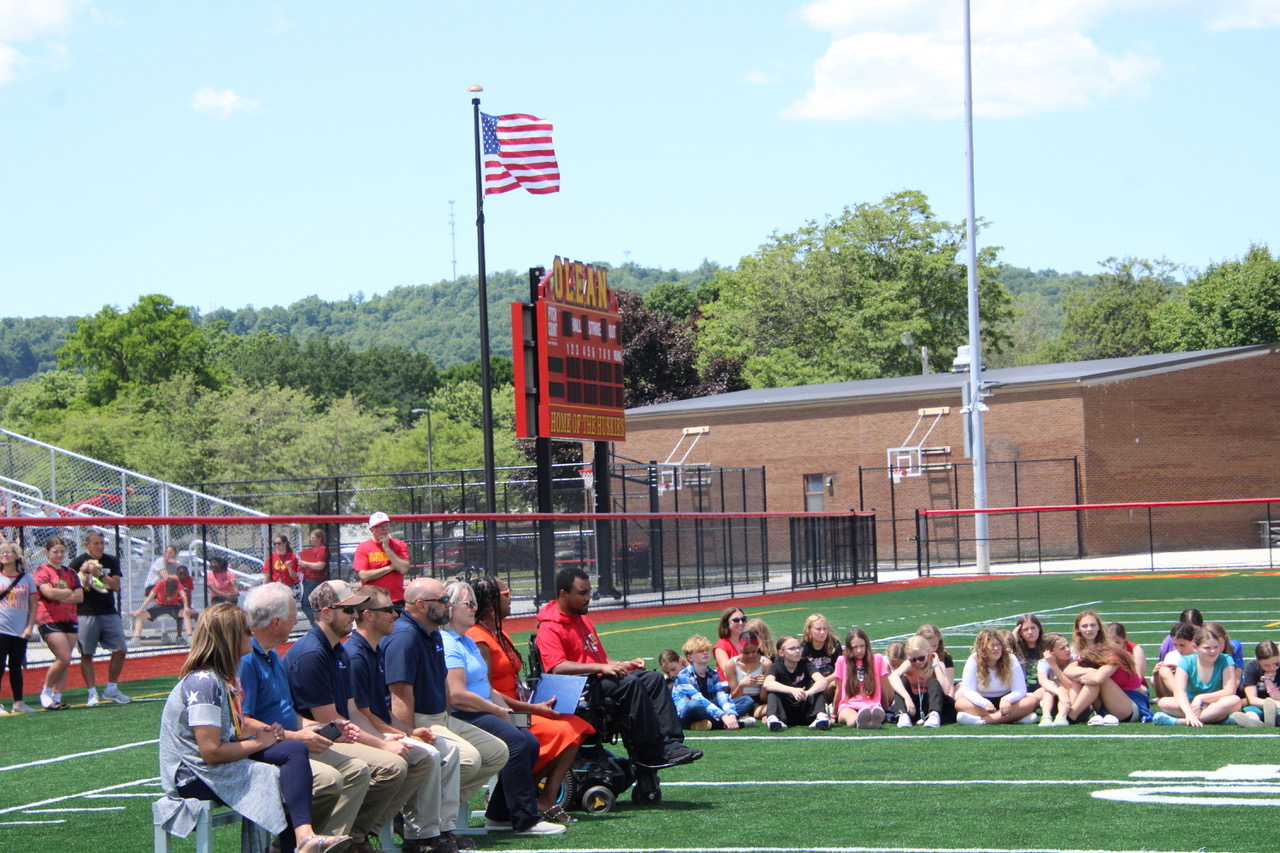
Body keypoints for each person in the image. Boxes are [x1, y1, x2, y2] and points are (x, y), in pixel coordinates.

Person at [156, 602, 351, 853]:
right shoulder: (204, 683)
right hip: (194, 775)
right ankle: (301, 841)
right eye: (247, 631)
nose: (252, 635)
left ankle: (304, 838)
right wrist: (260, 742)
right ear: (230, 638)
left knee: (293, 751)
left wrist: (264, 734)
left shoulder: (225, 677)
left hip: (216, 766)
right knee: (279, 776)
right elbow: (210, 752)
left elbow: (231, 734)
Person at [284, 579, 435, 853]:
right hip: (316, 740)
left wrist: (390, 736)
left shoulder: (337, 649)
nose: (354, 617)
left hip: (332, 735)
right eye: (347, 611)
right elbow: (332, 724)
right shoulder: (312, 654)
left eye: (354, 610)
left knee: (418, 757)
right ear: (326, 613)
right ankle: (343, 839)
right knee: (390, 765)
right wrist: (381, 742)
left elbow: (352, 711)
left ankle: (358, 835)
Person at [238, 583, 371, 847]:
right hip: (269, 750)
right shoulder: (247, 659)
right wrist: (298, 736)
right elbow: (243, 722)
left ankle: (324, 844)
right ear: (276, 623)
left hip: (288, 744)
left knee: (357, 770)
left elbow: (289, 712)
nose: (297, 621)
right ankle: (295, 844)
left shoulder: (271, 655)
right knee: (331, 780)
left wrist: (323, 727)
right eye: (292, 616)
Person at [384, 576, 509, 850]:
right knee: (465, 758)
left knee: (496, 752)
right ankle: (427, 830)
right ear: (419, 605)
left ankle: (428, 815)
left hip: (440, 717)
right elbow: (400, 694)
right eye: (442, 601)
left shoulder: (432, 633)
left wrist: (446, 717)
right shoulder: (405, 637)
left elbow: (443, 685)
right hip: (417, 720)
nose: (447, 606)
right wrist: (409, 736)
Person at [534, 567, 701, 769]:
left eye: (589, 592)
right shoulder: (549, 627)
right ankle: (650, 752)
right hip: (578, 689)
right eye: (582, 593)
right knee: (629, 684)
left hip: (596, 680)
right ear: (563, 594)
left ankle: (671, 744)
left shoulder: (583, 620)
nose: (588, 598)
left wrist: (624, 664)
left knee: (654, 679)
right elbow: (557, 667)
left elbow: (601, 659)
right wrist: (602, 667)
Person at [441, 580, 564, 837]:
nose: (475, 607)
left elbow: (489, 688)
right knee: (517, 743)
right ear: (450, 608)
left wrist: (509, 712)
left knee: (528, 741)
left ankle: (499, 814)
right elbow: (457, 695)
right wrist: (496, 711)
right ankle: (525, 820)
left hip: (481, 710)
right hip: (464, 714)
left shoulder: (467, 641)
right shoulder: (449, 643)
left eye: (474, 602)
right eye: (468, 603)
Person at [347, 585, 463, 853]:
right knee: (423, 757)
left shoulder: (373, 650)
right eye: (388, 610)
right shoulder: (356, 655)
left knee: (441, 752)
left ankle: (428, 832)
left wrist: (406, 732)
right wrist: (393, 738)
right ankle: (366, 834)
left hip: (375, 728)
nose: (395, 615)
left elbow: (380, 710)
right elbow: (360, 713)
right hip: (355, 735)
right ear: (368, 615)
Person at [468, 576, 592, 824]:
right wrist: (533, 707)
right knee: (560, 733)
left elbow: (512, 680)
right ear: (492, 602)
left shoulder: (499, 634)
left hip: (519, 706)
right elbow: (488, 690)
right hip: (499, 712)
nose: (511, 596)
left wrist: (534, 698)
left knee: (577, 726)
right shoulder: (478, 637)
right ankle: (515, 802)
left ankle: (543, 797)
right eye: (506, 593)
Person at [69, 530, 132, 706]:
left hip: (109, 611)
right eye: (96, 543)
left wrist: (100, 574)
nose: (100, 547)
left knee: (120, 650)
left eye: (102, 543)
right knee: (87, 653)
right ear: (87, 544)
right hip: (85, 612)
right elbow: (73, 587)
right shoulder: (77, 562)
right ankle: (91, 693)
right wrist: (84, 574)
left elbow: (116, 586)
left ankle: (111, 689)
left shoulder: (111, 561)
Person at [1154, 627, 1242, 726]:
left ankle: (1179, 721)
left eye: (1216, 647)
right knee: (1164, 702)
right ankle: (1219, 718)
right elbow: (1179, 691)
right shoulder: (1186, 661)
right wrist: (1189, 712)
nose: (1213, 651)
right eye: (1207, 648)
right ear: (1195, 647)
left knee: (1234, 700)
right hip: (1190, 703)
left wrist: (1200, 698)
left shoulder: (1226, 659)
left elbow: (1229, 691)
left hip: (1215, 703)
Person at [955, 629, 1038, 725]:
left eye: (998, 644)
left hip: (1008, 702)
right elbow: (969, 691)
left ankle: (982, 721)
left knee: (1032, 701)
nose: (996, 648)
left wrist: (1007, 699)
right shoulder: (974, 660)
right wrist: (984, 703)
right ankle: (1013, 717)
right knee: (960, 703)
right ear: (982, 648)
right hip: (983, 703)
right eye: (992, 645)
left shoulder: (1010, 658)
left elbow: (1020, 689)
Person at [35, 536, 81, 710]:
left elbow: (79, 597)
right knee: (64, 657)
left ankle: (57, 696)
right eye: (55, 551)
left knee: (65, 660)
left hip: (69, 618)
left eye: (62, 551)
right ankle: (45, 692)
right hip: (48, 618)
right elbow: (48, 593)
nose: (59, 554)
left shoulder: (71, 573)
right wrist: (68, 592)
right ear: (48, 552)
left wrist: (62, 593)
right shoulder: (42, 570)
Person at [671, 634, 746, 730]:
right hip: (688, 713)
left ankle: (707, 724)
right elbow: (699, 699)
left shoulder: (713, 674)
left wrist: (730, 713)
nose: (705, 653)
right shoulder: (683, 676)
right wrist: (723, 715)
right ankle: (725, 723)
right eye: (700, 651)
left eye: (706, 650)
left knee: (746, 701)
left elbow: (721, 695)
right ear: (690, 657)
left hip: (709, 709)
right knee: (694, 704)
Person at [1065, 642, 1147, 725]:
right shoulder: (1097, 659)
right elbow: (1067, 670)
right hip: (1108, 706)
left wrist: (1080, 677)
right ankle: (1071, 714)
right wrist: (1087, 671)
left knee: (1098, 680)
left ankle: (1071, 716)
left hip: (1131, 707)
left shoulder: (1115, 657)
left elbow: (1098, 679)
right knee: (1087, 680)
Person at [762, 635, 830, 731]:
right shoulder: (776, 666)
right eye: (792, 649)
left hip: (804, 709)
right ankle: (773, 719)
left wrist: (808, 692)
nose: (797, 651)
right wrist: (792, 690)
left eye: (799, 647)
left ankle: (821, 717)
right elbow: (767, 684)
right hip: (786, 712)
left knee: (817, 689)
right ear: (781, 653)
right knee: (773, 692)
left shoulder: (806, 664)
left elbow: (822, 681)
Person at [0, 540, 37, 714]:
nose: (5, 554)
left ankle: (18, 702)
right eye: (2, 552)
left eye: (8, 552)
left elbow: (34, 604)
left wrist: (29, 627)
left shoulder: (26, 577)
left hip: (19, 630)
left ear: (16, 555)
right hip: (1, 629)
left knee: (16, 667)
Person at [887, 635, 953, 728]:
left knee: (933, 682)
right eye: (913, 659)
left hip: (933, 703)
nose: (917, 662)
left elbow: (946, 690)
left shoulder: (938, 664)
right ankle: (903, 715)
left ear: (929, 651)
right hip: (913, 705)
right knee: (902, 680)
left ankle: (934, 714)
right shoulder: (909, 664)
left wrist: (936, 665)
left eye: (921, 658)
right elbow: (893, 677)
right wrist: (906, 697)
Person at [832, 627, 888, 729]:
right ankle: (858, 721)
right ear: (849, 648)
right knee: (850, 716)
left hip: (872, 705)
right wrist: (833, 715)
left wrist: (887, 709)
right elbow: (839, 691)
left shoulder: (877, 659)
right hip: (848, 706)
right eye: (855, 647)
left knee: (874, 711)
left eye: (862, 646)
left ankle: (872, 720)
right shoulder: (842, 661)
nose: (859, 650)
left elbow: (884, 689)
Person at [354, 512, 410, 609]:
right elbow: (364, 576)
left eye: (386, 525)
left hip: (397, 600)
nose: (384, 529)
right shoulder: (363, 547)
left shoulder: (399, 545)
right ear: (371, 530)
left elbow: (404, 568)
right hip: (373, 601)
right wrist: (391, 567)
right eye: (380, 526)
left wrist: (387, 548)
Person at [132, 565, 196, 643]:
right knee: (140, 616)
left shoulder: (177, 582)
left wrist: (186, 607)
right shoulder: (161, 583)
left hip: (173, 606)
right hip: (160, 606)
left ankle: (190, 637)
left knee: (186, 614)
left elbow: (183, 595)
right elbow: (150, 597)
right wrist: (140, 609)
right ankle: (136, 639)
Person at [1230, 640, 1280, 727]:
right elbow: (1251, 699)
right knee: (1251, 713)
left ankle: (1274, 719)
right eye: (1266, 665)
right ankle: (1255, 722)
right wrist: (1268, 704)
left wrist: (1267, 680)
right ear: (1258, 660)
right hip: (1258, 704)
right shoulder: (1252, 667)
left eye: (1276, 664)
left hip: (1278, 704)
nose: (1272, 668)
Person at [725, 630, 770, 720]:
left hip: (758, 702)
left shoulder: (765, 663)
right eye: (746, 653)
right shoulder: (732, 664)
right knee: (746, 703)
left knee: (772, 705)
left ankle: (759, 714)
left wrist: (764, 685)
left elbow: (764, 699)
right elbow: (734, 697)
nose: (751, 656)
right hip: (741, 700)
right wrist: (741, 684)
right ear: (740, 650)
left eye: (754, 651)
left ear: (758, 648)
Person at [1034, 632, 1075, 727]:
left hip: (1070, 698)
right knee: (1050, 685)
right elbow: (1043, 681)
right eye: (1062, 648)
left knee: (1061, 687)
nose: (1068, 650)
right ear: (1051, 652)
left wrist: (1054, 665)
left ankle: (1061, 716)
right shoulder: (1044, 662)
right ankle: (1046, 716)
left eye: (1067, 646)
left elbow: (1070, 686)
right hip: (1055, 698)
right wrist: (1059, 693)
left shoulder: (1074, 659)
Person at [801, 614, 841, 702]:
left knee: (839, 684)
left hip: (830, 681)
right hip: (813, 686)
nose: (822, 632)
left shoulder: (834, 644)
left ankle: (836, 706)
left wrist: (826, 680)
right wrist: (819, 683)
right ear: (809, 630)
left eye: (825, 628)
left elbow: (840, 669)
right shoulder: (803, 648)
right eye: (818, 629)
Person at [1152, 622, 1198, 698]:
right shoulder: (1172, 656)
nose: (1178, 648)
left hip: (1197, 690)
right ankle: (1185, 698)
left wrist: (1181, 670)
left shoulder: (1200, 655)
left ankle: (1186, 698)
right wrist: (1156, 676)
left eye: (1182, 645)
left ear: (1193, 641)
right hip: (1176, 695)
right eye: (1175, 645)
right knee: (1163, 671)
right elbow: (1161, 695)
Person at [298, 529, 330, 623]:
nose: (310, 539)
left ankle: (317, 624)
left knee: (306, 604)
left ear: (319, 539)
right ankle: (319, 623)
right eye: (310, 537)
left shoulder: (322, 549)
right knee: (313, 604)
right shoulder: (313, 550)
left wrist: (306, 563)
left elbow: (320, 565)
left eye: (313, 538)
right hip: (308, 579)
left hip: (315, 580)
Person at [916, 625, 955, 694]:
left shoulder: (944, 656)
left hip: (940, 692)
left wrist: (951, 701)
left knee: (962, 687)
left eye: (935, 646)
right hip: (919, 692)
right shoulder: (913, 656)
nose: (932, 649)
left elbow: (950, 685)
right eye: (929, 645)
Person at [1011, 614, 1046, 693]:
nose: (1030, 632)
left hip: (1044, 689)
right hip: (1022, 691)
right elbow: (1003, 657)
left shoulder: (1048, 646)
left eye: (1033, 628)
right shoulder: (1015, 650)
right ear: (1019, 632)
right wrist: (1012, 640)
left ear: (1039, 628)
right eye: (1025, 629)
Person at [712, 606, 746, 679]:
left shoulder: (749, 641)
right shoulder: (721, 646)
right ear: (726, 624)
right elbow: (727, 673)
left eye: (743, 619)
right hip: (730, 687)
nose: (741, 623)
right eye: (736, 620)